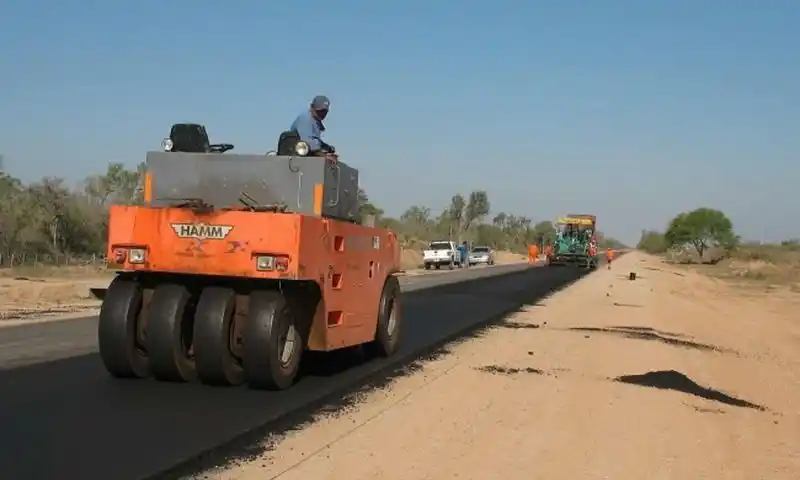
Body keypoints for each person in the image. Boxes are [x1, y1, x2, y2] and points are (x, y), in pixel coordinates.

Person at [290, 95, 337, 160]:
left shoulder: (316, 120)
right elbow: (309, 144)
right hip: (297, 156)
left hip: (307, 155)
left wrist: (327, 148)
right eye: (319, 111)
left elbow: (316, 141)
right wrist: (325, 156)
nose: (322, 114)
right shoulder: (305, 119)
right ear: (312, 107)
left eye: (325, 111)